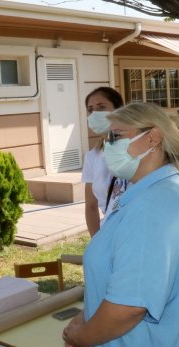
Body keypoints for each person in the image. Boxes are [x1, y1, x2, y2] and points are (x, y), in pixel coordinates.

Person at [62, 103, 179, 347]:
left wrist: (84, 337)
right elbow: (128, 278)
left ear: (152, 138)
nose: (108, 146)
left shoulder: (154, 207)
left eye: (116, 137)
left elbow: (128, 307)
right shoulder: (152, 194)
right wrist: (90, 317)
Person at [81, 87, 126, 236]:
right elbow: (91, 207)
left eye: (101, 107)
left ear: (118, 109)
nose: (95, 114)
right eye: (90, 109)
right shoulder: (92, 156)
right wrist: (98, 243)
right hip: (111, 234)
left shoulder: (138, 147)